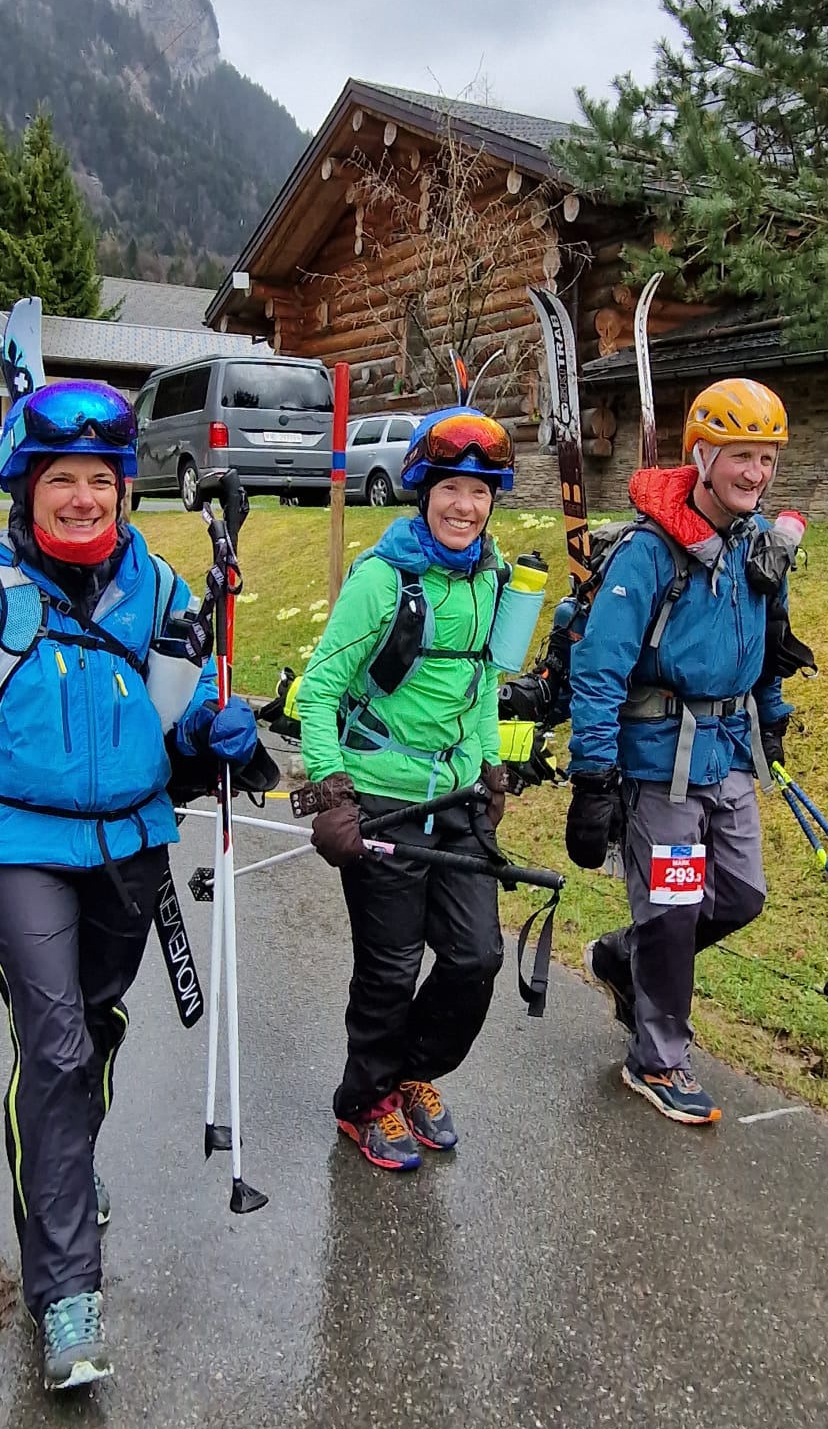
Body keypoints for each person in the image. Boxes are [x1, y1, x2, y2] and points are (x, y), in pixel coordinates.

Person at [0, 381, 259, 1391]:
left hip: (131, 849)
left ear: (122, 489)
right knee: (56, 1043)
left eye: (99, 481)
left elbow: (176, 717)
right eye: (60, 479)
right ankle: (68, 1294)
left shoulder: (155, 590)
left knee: (95, 1029)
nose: (81, 498)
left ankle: (61, 1159)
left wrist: (213, 732)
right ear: (26, 490)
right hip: (20, 846)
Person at [567, 378, 800, 1126]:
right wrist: (593, 776)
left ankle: (623, 957)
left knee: (741, 896)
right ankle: (657, 1059)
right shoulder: (649, 552)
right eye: (740, 456)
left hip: (728, 754)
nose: (755, 474)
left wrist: (771, 720)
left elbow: (770, 647)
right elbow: (599, 667)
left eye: (766, 459)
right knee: (671, 912)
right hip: (659, 763)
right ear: (701, 456)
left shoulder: (758, 548)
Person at [297, 406, 512, 1171]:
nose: (465, 505)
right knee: (390, 968)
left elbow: (483, 684)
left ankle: (409, 1073)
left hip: (455, 797)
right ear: (423, 492)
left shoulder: (493, 578)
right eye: (451, 488)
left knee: (476, 957)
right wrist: (333, 794)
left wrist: (490, 767)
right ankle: (365, 1102)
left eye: (480, 491)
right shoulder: (381, 580)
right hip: (383, 797)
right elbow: (318, 691)